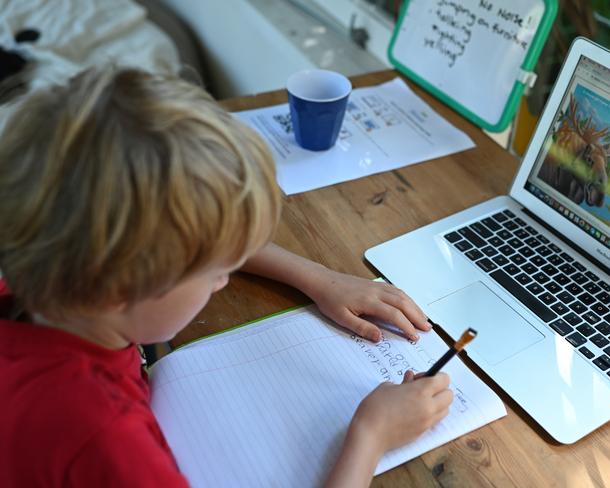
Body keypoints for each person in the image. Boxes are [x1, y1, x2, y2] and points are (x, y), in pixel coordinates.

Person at [0, 68, 453, 487]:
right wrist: (370, 437)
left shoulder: (43, 278)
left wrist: (317, 277)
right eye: (216, 271)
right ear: (124, 286)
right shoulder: (106, 441)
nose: (224, 279)